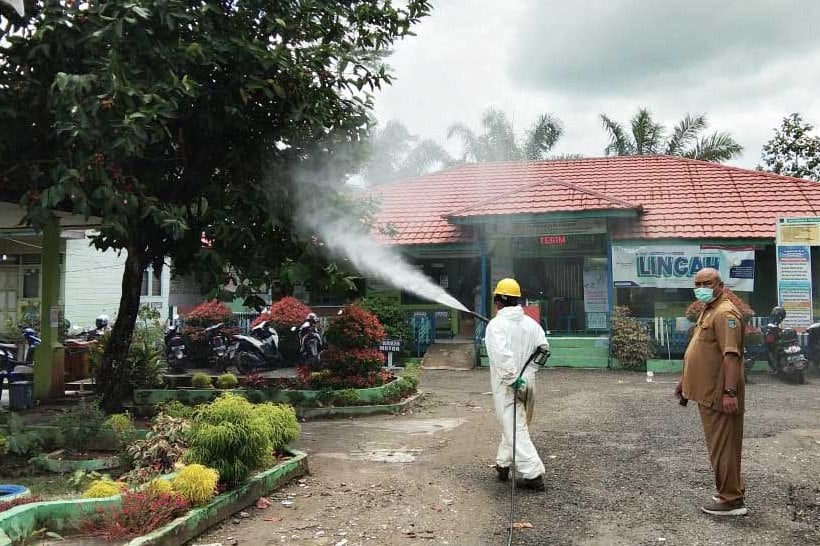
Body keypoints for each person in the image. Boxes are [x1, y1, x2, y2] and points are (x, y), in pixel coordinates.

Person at [675, 267, 747, 516]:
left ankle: (731, 500)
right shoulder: (709, 310)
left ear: (720, 285)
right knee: (718, 446)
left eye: (707, 283)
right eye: (698, 283)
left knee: (724, 446)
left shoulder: (726, 313)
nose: (701, 288)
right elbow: (701, 351)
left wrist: (729, 392)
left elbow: (731, 356)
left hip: (719, 394)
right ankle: (728, 491)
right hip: (707, 392)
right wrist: (684, 381)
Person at [484, 278, 550, 491]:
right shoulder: (531, 324)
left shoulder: (496, 326)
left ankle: (533, 474)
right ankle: (503, 464)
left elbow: (502, 358)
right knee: (515, 425)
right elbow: (544, 349)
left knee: (515, 427)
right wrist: (526, 375)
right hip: (529, 383)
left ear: (498, 301)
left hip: (509, 385)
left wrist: (513, 379)